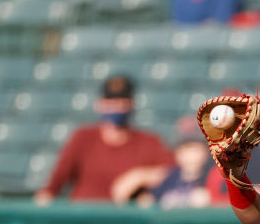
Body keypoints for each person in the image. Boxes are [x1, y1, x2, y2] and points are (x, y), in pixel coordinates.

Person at [33, 75, 174, 204]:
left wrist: (140, 176)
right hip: (84, 219)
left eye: (122, 101)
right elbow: (55, 183)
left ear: (131, 104)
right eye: (111, 101)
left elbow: (176, 172)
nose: (117, 106)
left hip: (126, 223)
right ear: (100, 103)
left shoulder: (148, 142)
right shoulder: (83, 138)